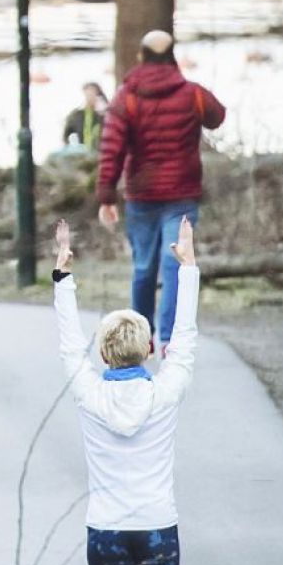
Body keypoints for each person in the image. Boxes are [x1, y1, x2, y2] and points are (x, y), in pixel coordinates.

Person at [52, 214, 201, 565]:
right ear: (145, 350)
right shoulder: (165, 395)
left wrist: (63, 278)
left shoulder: (88, 394)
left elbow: (70, 350)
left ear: (105, 353)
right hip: (157, 529)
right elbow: (184, 344)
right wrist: (187, 271)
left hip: (106, 530)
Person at [94, 30, 225, 354]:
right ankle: (169, 339)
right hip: (182, 194)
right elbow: (217, 116)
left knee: (143, 268)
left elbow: (112, 148)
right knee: (174, 267)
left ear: (140, 57)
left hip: (142, 194)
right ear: (172, 58)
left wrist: (106, 196)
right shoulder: (190, 93)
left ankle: (142, 337)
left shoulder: (126, 96)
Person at [63, 82, 109, 151]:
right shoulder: (77, 115)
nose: (90, 97)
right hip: (83, 155)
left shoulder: (103, 115)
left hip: (100, 154)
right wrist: (72, 149)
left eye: (93, 93)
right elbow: (66, 135)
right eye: (88, 94)